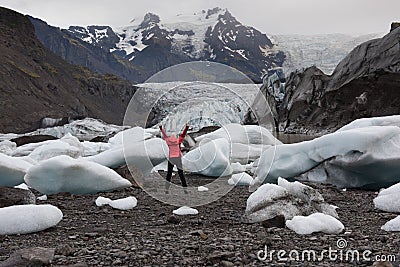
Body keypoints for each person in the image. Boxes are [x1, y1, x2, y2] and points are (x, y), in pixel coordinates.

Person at [159, 123, 189, 193]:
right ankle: (185, 189)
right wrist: (187, 127)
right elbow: (183, 134)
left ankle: (166, 189)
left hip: (171, 159)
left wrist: (161, 128)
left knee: (169, 174)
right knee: (181, 174)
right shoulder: (178, 141)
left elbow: (164, 135)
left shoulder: (168, 141)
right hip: (178, 158)